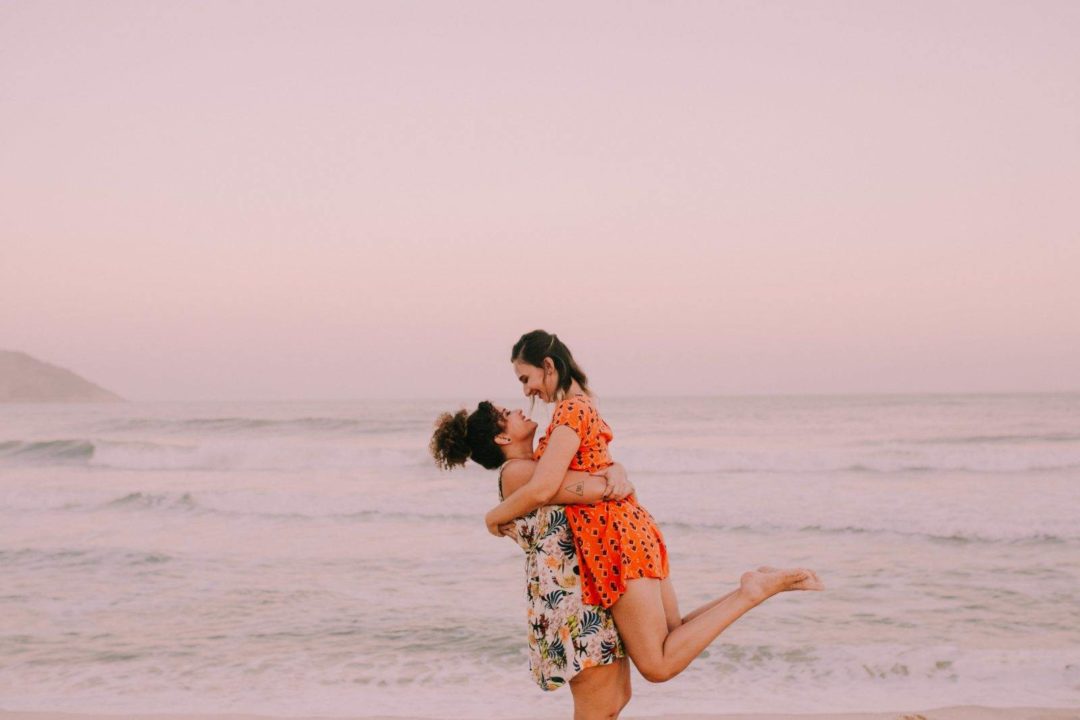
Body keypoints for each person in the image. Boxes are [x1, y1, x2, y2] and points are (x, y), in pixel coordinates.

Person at [484, 330, 824, 684]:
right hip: (631, 528)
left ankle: (751, 592)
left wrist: (493, 517)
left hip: (611, 537)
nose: (526, 391)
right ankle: (753, 587)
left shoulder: (570, 410)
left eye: (526, 378)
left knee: (658, 665)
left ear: (549, 366)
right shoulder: (581, 406)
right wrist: (616, 470)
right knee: (673, 634)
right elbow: (588, 470)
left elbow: (542, 487)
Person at [431, 401, 635, 719]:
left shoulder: (539, 468)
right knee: (600, 709)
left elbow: (600, 475)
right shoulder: (519, 473)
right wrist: (614, 474)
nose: (517, 409)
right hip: (571, 606)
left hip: (582, 596)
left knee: (617, 699)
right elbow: (596, 487)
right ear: (502, 438)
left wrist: (616, 470)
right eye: (506, 414)